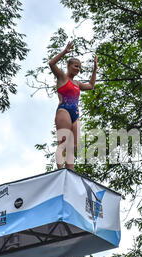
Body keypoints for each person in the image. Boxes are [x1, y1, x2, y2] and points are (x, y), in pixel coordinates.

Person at [48, 41, 97, 170]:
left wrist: (95, 69)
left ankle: (70, 172)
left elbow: (91, 86)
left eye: (80, 67)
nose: (78, 69)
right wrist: (64, 51)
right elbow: (51, 63)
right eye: (76, 66)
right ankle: (59, 171)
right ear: (69, 66)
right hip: (64, 109)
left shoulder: (77, 83)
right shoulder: (62, 77)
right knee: (63, 143)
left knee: (73, 146)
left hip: (75, 113)